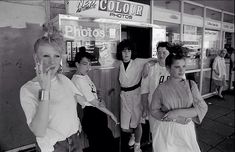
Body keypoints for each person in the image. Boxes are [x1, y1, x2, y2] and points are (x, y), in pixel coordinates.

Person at [20, 29, 85, 152]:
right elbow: (39, 131)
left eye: (57, 56)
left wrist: (76, 122)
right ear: (36, 58)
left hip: (75, 140)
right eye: (46, 56)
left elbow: (75, 101)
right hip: (53, 146)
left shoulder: (63, 79)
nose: (52, 61)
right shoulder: (27, 90)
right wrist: (45, 89)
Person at [150, 45, 208, 152]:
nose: (182, 70)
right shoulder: (161, 88)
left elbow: (201, 108)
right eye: (177, 67)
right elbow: (154, 111)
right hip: (166, 130)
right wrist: (175, 118)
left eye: (184, 66)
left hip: (185, 131)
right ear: (168, 68)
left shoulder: (191, 85)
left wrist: (176, 113)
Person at [71, 50, 118, 152]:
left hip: (97, 114)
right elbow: (95, 103)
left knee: (103, 144)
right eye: (85, 64)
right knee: (104, 145)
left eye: (89, 64)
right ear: (77, 64)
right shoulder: (78, 80)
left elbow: (94, 93)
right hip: (91, 116)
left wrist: (100, 98)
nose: (88, 67)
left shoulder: (84, 76)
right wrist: (111, 114)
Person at [116, 39, 157, 152]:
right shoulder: (119, 64)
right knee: (124, 127)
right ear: (120, 52)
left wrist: (147, 65)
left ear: (132, 52)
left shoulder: (138, 61)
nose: (126, 53)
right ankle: (133, 135)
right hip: (124, 96)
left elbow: (155, 60)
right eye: (124, 51)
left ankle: (137, 146)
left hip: (136, 95)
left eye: (129, 51)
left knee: (137, 122)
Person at [141, 42, 171, 134]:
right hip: (154, 109)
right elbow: (144, 90)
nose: (161, 55)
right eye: (159, 52)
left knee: (169, 135)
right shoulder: (151, 69)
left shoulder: (175, 68)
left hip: (171, 109)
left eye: (164, 52)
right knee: (156, 134)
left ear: (169, 53)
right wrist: (145, 108)